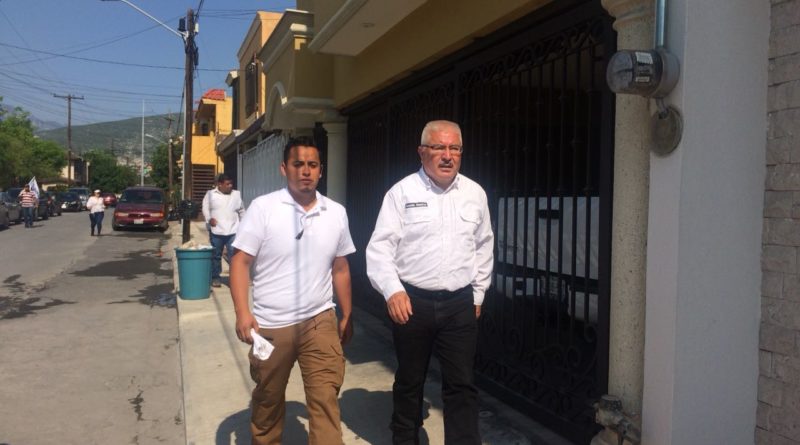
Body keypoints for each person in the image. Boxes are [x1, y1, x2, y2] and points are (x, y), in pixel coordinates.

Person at [366, 120, 494, 444]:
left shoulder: (475, 194)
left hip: (459, 304)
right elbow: (379, 249)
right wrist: (393, 290)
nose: (447, 155)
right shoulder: (401, 193)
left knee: (462, 384)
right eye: (439, 147)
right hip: (413, 303)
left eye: (455, 148)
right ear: (422, 152)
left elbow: (484, 246)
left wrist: (478, 294)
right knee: (410, 381)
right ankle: (405, 438)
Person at [229, 136, 355, 445]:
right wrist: (243, 313)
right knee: (268, 402)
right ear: (284, 168)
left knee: (326, 400)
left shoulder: (336, 212)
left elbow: (340, 267)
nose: (306, 171)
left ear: (321, 170)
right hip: (271, 326)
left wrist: (347, 314)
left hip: (319, 320)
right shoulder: (264, 208)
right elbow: (240, 262)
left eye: (312, 165)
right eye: (298, 164)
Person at [202, 173, 245, 287]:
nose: (230, 186)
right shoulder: (210, 194)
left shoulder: (236, 194)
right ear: (219, 184)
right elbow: (205, 208)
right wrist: (209, 219)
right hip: (217, 231)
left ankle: (234, 279)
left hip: (233, 231)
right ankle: (216, 278)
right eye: (227, 184)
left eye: (231, 184)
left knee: (234, 256)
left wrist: (244, 225)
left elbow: (241, 210)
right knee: (216, 255)